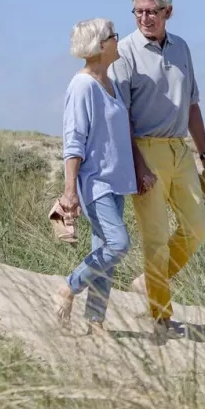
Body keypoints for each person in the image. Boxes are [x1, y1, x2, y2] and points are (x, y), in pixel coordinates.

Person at [112, 0, 205, 340]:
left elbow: (192, 105)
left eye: (152, 11)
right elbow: (121, 115)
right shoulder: (125, 51)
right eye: (139, 11)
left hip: (180, 150)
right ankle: (161, 317)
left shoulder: (183, 49)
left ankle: (148, 281)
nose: (145, 18)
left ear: (168, 12)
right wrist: (138, 165)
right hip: (143, 150)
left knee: (197, 229)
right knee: (155, 240)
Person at [55, 17, 137, 334]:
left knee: (105, 254)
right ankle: (67, 288)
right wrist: (69, 191)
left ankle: (95, 322)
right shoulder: (82, 85)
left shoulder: (110, 83)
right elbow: (73, 141)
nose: (119, 41)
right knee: (118, 245)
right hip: (95, 183)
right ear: (101, 45)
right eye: (114, 37)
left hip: (115, 183)